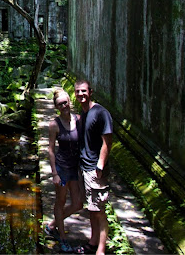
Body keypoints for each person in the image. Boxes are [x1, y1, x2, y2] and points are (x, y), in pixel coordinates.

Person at [75, 79, 113, 255]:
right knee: (92, 208)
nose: (81, 94)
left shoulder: (100, 112)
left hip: (95, 170)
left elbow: (107, 140)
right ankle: (92, 242)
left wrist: (100, 164)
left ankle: (101, 250)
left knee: (99, 211)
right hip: (84, 168)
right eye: (78, 92)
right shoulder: (83, 115)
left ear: (90, 92)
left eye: (84, 91)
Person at [45, 89, 83, 253]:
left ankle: (52, 225)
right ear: (56, 106)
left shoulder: (79, 120)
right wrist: (54, 173)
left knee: (77, 203)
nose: (64, 106)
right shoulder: (54, 125)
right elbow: (51, 149)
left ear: (70, 101)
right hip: (62, 168)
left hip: (75, 168)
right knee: (60, 202)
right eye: (60, 104)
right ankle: (63, 238)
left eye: (65, 102)